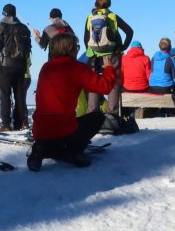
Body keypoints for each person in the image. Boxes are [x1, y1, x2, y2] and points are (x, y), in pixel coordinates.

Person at [28, 33, 116, 171]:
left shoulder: (46, 67)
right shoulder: (76, 68)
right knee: (97, 117)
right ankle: (73, 151)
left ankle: (39, 150)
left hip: (40, 130)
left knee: (52, 131)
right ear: (70, 49)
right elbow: (104, 86)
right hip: (64, 129)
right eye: (76, 47)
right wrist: (109, 68)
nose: (77, 50)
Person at [83, 0, 133, 116]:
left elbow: (86, 38)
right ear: (109, 3)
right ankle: (113, 115)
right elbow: (129, 31)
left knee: (94, 84)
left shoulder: (90, 17)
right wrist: (123, 47)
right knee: (114, 84)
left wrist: (91, 51)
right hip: (112, 54)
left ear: (96, 3)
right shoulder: (112, 16)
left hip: (94, 55)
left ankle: (92, 114)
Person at [0, 3, 32, 131]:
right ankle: (20, 123)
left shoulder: (1, 26)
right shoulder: (24, 28)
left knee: (5, 95)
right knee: (19, 95)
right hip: (21, 66)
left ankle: (6, 125)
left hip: (6, 65)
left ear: (4, 13)